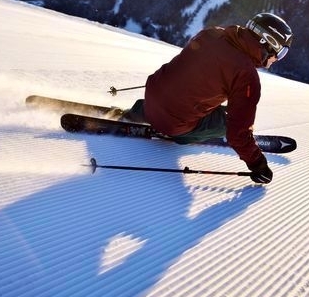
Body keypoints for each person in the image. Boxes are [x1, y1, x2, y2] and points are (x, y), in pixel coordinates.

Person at [124, 12, 292, 184]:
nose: (277, 59)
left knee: (205, 104)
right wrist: (258, 165)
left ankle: (140, 111)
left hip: (152, 94)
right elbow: (238, 134)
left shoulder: (212, 33)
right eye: (281, 53)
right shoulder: (246, 76)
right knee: (228, 122)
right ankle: (183, 135)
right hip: (172, 124)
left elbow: (189, 70)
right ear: (268, 43)